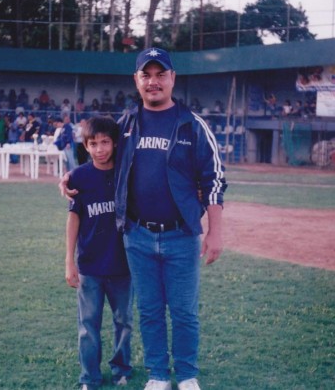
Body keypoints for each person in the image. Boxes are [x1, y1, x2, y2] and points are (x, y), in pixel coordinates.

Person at [62, 47, 226, 390]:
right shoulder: (125, 125)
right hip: (137, 236)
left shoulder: (192, 125)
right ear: (136, 81)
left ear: (172, 79)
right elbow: (100, 163)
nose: (153, 82)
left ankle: (186, 375)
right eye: (146, 75)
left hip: (182, 235)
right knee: (149, 312)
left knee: (183, 312)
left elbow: (214, 180)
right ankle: (157, 375)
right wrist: (68, 179)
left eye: (160, 74)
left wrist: (215, 232)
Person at [65, 116, 133, 390]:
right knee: (88, 326)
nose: (100, 149)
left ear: (115, 143)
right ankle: (89, 377)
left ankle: (121, 369)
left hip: (123, 266)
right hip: (90, 266)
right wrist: (69, 261)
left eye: (105, 142)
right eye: (93, 143)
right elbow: (73, 220)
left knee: (124, 322)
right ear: (86, 145)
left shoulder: (126, 173)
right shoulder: (79, 176)